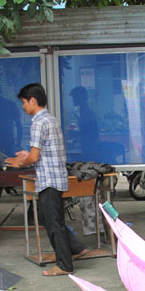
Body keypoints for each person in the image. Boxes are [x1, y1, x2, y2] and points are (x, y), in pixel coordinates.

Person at [6, 83, 88, 276]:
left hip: (49, 179)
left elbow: (34, 157)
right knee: (47, 217)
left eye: (24, 102)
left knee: (53, 222)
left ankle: (64, 265)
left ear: (33, 101)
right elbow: (42, 151)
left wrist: (21, 162)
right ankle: (75, 248)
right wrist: (27, 154)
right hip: (54, 177)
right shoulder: (50, 119)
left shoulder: (38, 122)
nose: (23, 106)